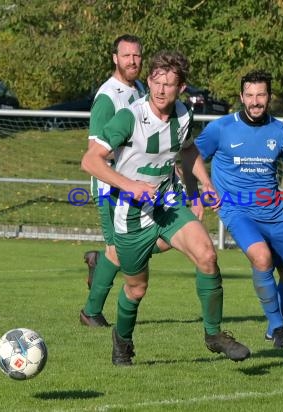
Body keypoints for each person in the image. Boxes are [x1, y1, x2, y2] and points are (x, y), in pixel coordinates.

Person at [81, 50, 251, 365]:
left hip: (168, 204)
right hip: (131, 215)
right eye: (157, 82)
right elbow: (89, 160)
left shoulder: (184, 115)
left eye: (169, 84)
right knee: (137, 288)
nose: (161, 90)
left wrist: (203, 185)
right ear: (149, 81)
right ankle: (122, 341)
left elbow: (187, 152)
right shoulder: (129, 117)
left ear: (181, 88)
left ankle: (214, 335)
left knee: (207, 255)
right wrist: (129, 185)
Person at [194, 70, 283, 348]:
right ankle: (278, 330)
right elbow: (190, 155)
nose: (255, 101)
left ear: (269, 97)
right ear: (241, 97)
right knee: (262, 258)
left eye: (261, 95)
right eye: (250, 95)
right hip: (236, 208)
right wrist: (201, 189)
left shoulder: (279, 131)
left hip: (273, 211)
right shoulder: (222, 128)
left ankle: (274, 327)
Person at [80, 34, 175, 328]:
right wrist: (126, 179)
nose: (132, 61)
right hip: (112, 189)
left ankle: (101, 264)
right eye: (126, 56)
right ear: (114, 58)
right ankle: (91, 312)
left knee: (169, 236)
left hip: (140, 190)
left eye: (137, 56)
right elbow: (95, 153)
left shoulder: (140, 90)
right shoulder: (109, 97)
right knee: (117, 252)